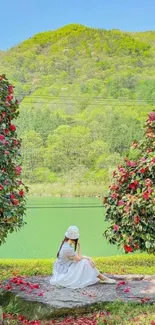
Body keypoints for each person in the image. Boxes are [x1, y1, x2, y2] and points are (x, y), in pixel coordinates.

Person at [50, 226, 116, 289]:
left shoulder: (64, 243)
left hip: (62, 269)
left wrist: (88, 257)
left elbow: (75, 257)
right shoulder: (67, 249)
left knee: (85, 261)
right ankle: (102, 278)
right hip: (65, 274)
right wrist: (79, 245)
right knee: (85, 262)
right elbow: (79, 258)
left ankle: (102, 277)